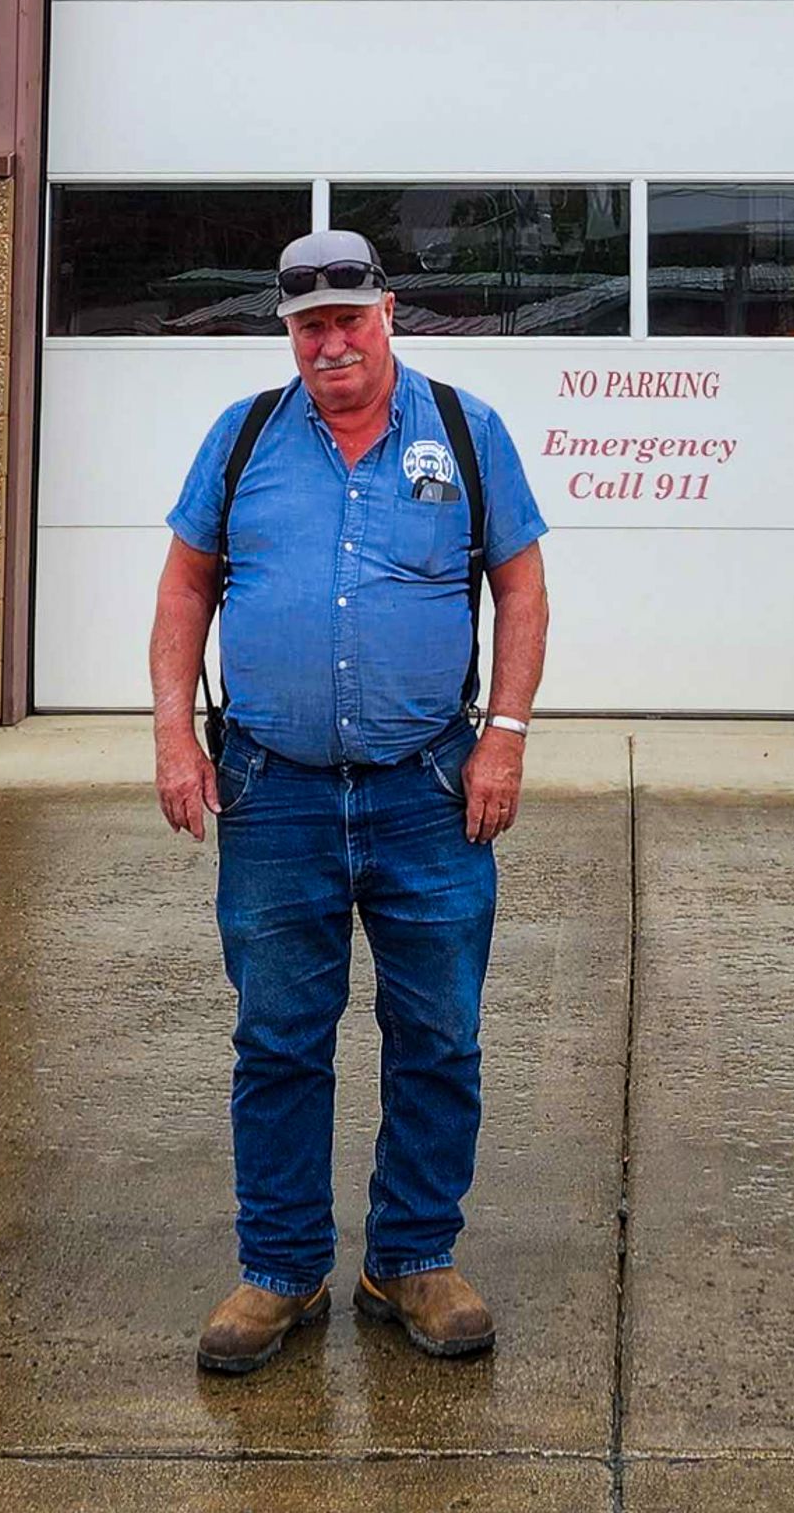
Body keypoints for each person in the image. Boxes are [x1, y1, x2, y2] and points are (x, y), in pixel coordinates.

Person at [148, 227, 551, 1376]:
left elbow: (519, 585)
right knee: (278, 1037)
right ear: (291, 332)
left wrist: (505, 738)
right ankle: (281, 1272)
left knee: (437, 1032)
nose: (332, 342)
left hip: (431, 785)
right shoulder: (244, 439)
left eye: (350, 318)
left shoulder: (466, 432)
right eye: (309, 325)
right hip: (269, 792)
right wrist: (176, 734)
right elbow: (186, 582)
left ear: (388, 314)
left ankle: (411, 1258)